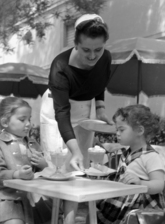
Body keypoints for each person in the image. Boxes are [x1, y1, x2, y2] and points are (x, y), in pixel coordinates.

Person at [40, 14, 113, 172]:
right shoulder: (60, 67)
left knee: (82, 164)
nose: (93, 56)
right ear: (76, 44)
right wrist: (75, 151)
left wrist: (100, 109)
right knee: (58, 164)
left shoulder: (106, 57)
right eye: (86, 50)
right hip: (56, 111)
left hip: (84, 107)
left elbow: (100, 82)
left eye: (98, 50)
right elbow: (62, 112)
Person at [0, 97, 48, 224]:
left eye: (29, 119)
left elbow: (40, 171)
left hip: (29, 195)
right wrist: (16, 174)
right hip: (2, 196)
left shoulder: (32, 143)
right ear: (4, 122)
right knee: (14, 221)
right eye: (22, 119)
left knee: (51, 216)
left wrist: (44, 164)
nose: (28, 124)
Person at [93, 104, 165, 224]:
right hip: (121, 205)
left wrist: (140, 183)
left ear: (139, 130)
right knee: (92, 218)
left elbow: (159, 185)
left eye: (121, 130)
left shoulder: (151, 156)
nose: (117, 133)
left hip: (139, 212)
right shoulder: (127, 153)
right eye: (117, 129)